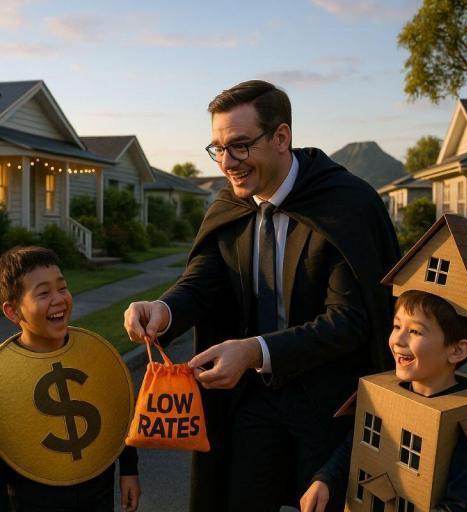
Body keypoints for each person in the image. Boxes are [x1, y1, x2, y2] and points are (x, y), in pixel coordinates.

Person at [123, 80, 400, 511]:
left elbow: (350, 318)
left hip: (332, 408)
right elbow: (202, 282)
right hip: (254, 402)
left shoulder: (346, 205)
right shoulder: (230, 207)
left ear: (281, 137)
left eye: (239, 146)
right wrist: (161, 309)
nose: (227, 163)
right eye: (217, 148)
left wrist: (254, 351)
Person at [0, 246, 141, 512]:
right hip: (32, 501)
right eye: (43, 293)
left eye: (62, 288)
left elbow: (119, 411)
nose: (58, 299)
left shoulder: (95, 354)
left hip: (98, 493)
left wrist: (129, 470)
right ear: (13, 312)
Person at [300, 290, 467, 512]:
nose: (398, 340)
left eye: (415, 331)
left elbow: (465, 504)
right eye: (397, 326)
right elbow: (353, 447)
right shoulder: (385, 398)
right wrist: (325, 480)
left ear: (457, 350)